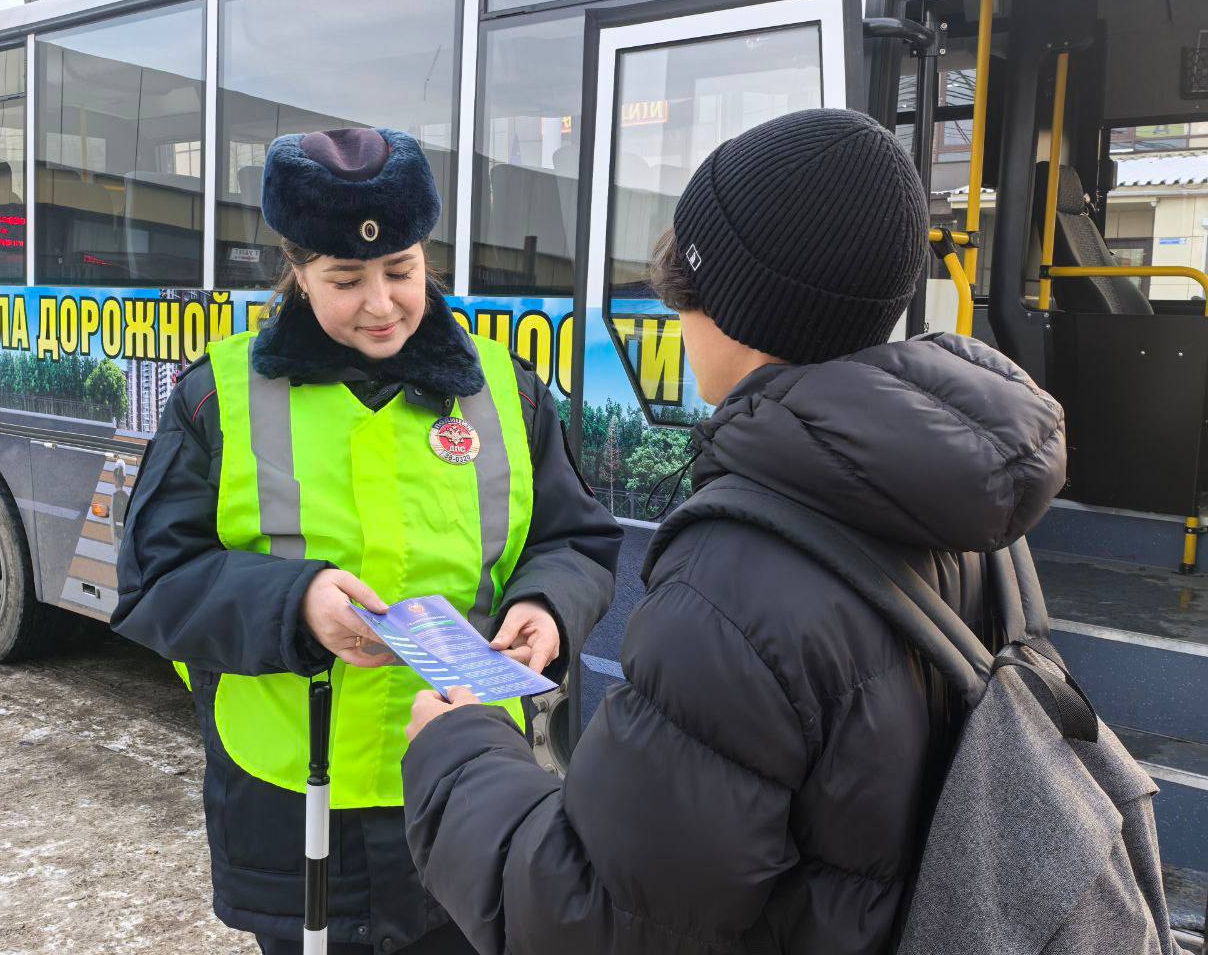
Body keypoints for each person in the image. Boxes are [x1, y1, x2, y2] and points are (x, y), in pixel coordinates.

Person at [400, 109, 1067, 954]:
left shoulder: (736, 586)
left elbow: (595, 918)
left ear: (730, 309)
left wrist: (458, 757)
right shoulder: (970, 503)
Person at [111, 126, 621, 955]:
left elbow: (575, 540)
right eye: (345, 279)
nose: (381, 303)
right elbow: (154, 582)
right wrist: (296, 603)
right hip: (298, 808)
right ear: (298, 271)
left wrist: (548, 605)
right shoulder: (219, 397)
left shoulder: (506, 389)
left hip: (470, 785)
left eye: (403, 272)